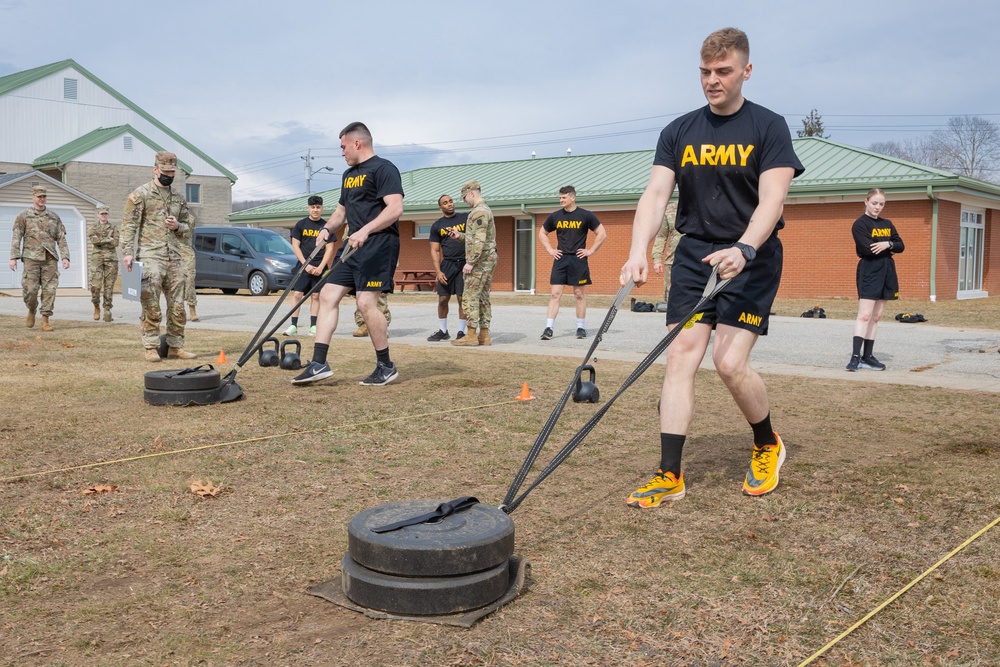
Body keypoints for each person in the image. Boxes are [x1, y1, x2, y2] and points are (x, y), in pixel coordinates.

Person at [619, 27, 804, 508]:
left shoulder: (769, 127)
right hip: (695, 252)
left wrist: (744, 248)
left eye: (723, 71)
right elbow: (656, 194)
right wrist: (638, 249)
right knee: (681, 356)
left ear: (746, 70)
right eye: (705, 72)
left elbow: (773, 199)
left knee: (728, 362)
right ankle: (669, 474)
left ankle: (767, 443)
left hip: (751, 256)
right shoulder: (678, 131)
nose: (712, 80)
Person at [292, 122, 403, 386]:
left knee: (366, 303)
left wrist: (365, 230)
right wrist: (327, 229)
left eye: (343, 147)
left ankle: (385, 366)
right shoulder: (349, 175)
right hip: (352, 246)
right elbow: (341, 212)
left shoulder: (384, 168)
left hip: (378, 244)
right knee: (328, 294)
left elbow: (395, 208)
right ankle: (319, 363)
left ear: (357, 143)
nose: (342, 153)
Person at [120, 151, 198, 363]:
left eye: (172, 172)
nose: (169, 175)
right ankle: (151, 346)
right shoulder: (141, 195)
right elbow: (129, 225)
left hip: (174, 256)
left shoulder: (178, 198)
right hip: (150, 255)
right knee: (150, 302)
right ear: (155, 169)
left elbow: (189, 226)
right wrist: (127, 253)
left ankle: (175, 347)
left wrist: (178, 226)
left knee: (178, 305)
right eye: (165, 171)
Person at [538, 185, 607, 340]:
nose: (561, 200)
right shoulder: (555, 216)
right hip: (561, 259)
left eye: (564, 197)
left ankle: (580, 328)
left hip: (578, 260)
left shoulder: (585, 215)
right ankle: (548, 328)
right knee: (555, 294)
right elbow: (542, 233)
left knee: (579, 295)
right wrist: (550, 249)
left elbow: (601, 233)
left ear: (573, 198)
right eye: (560, 197)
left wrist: (591, 251)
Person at [846, 188, 904, 372]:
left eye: (881, 204)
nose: (878, 207)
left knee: (877, 317)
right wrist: (890, 247)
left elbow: (901, 245)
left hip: (887, 270)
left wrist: (888, 244)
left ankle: (868, 356)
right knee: (864, 315)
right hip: (870, 270)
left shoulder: (887, 223)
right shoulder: (860, 224)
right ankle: (855, 357)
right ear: (866, 201)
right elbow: (869, 249)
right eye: (874, 203)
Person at [8, 184, 70, 331]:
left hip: (50, 258)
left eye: (44, 196)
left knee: (50, 290)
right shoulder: (24, 216)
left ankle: (45, 319)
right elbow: (17, 236)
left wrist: (65, 257)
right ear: (33, 197)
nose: (42, 199)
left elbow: (61, 238)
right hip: (31, 258)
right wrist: (13, 257)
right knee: (30, 290)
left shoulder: (54, 217)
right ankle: (31, 309)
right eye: (39, 196)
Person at [449, 181, 497, 347]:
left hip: (480, 262)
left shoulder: (479, 212)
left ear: (472, 194)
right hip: (486, 260)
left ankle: (471, 334)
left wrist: (471, 262)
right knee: (483, 297)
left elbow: (480, 239)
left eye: (464, 198)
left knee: (470, 296)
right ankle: (484, 335)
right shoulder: (483, 210)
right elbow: (475, 237)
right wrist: (460, 236)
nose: (464, 201)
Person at [283, 195, 336, 337]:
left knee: (316, 296)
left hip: (320, 267)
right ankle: (293, 325)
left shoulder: (326, 227)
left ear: (322, 208)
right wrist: (305, 264)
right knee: (297, 294)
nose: (315, 210)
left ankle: (313, 326)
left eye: (318, 207)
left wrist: (321, 267)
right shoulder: (301, 225)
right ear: (308, 208)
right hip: (303, 266)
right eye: (313, 207)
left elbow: (330, 249)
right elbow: (295, 246)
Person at [426, 194, 469, 341]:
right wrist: (438, 271)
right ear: (441, 207)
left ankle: (461, 332)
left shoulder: (465, 218)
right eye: (445, 203)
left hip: (464, 263)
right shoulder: (437, 225)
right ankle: (443, 331)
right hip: (447, 265)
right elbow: (435, 250)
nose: (449, 204)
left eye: (450, 201)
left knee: (462, 298)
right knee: (443, 299)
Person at [88, 205, 119, 322]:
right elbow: (94, 240)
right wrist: (108, 239)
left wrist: (103, 240)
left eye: (105, 214)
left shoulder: (114, 227)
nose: (104, 216)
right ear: (98, 215)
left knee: (109, 286)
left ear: (108, 215)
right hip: (97, 259)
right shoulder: (93, 227)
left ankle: (107, 308)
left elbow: (116, 242)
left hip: (111, 259)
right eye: (102, 214)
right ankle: (96, 306)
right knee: (95, 285)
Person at [650, 201, 681, 307]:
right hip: (673, 262)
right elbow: (661, 236)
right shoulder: (669, 209)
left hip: (698, 260)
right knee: (672, 300)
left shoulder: (702, 205)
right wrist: (657, 260)